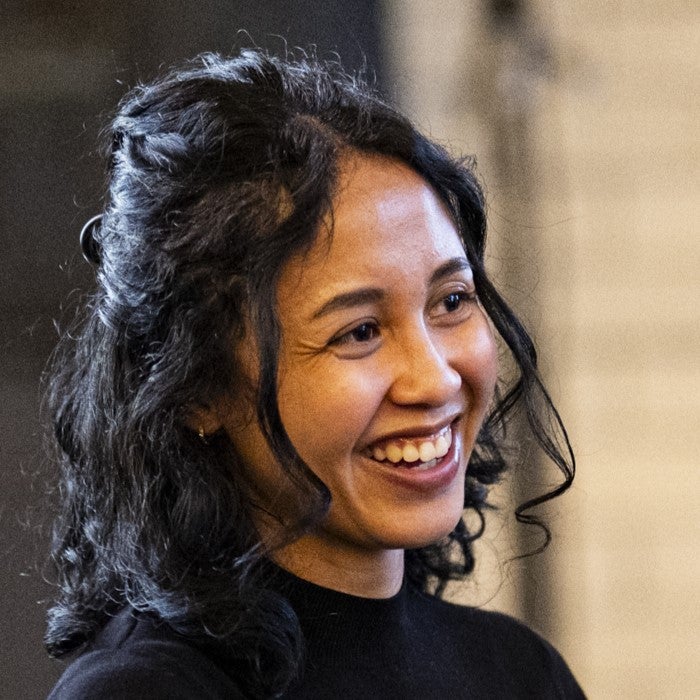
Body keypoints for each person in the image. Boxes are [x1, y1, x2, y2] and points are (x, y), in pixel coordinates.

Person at [45, 49, 584, 699]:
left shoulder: (519, 673)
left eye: (450, 302)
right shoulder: (145, 691)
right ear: (197, 387)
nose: (436, 380)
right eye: (359, 332)